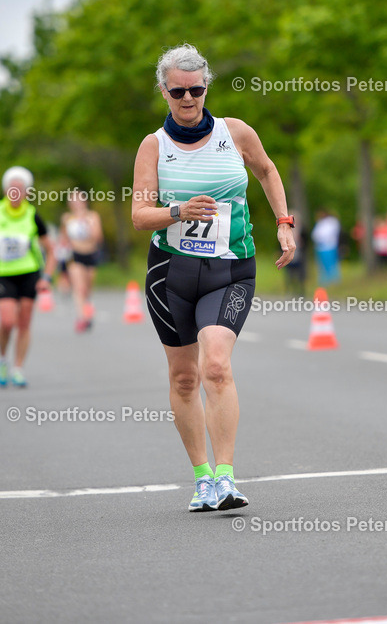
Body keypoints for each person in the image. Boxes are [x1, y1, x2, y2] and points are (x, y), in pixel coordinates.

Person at [131, 44, 295, 512]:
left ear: (207, 87)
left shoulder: (235, 132)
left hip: (231, 269)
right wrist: (178, 211)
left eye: (197, 89)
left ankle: (226, 478)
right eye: (178, 91)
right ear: (164, 92)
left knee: (216, 365)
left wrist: (284, 224)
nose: (188, 98)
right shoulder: (153, 146)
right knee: (185, 378)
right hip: (171, 273)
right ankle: (201, 477)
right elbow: (140, 215)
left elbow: (267, 170)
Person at [0, 167, 56, 388]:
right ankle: (3, 359)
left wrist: (47, 277)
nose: (15, 192)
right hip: (3, 273)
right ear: (5, 190)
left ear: (27, 192)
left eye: (20, 189)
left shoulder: (32, 215)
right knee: (7, 321)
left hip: (29, 273)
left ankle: (19, 368)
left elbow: (51, 250)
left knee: (24, 323)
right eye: (12, 188)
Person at [61, 191, 104, 332]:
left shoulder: (92, 217)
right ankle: (82, 318)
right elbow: (64, 239)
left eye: (78, 200)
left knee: (87, 289)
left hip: (90, 254)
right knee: (79, 288)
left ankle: (87, 312)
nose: (76, 204)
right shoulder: (67, 218)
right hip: (75, 255)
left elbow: (98, 238)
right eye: (73, 201)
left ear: (84, 202)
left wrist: (87, 224)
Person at [311, 209, 341, 285]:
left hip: (329, 246)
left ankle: (333, 279)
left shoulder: (332, 222)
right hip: (320, 247)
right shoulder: (320, 223)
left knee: (331, 263)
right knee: (322, 265)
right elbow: (315, 234)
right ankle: (325, 280)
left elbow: (330, 233)